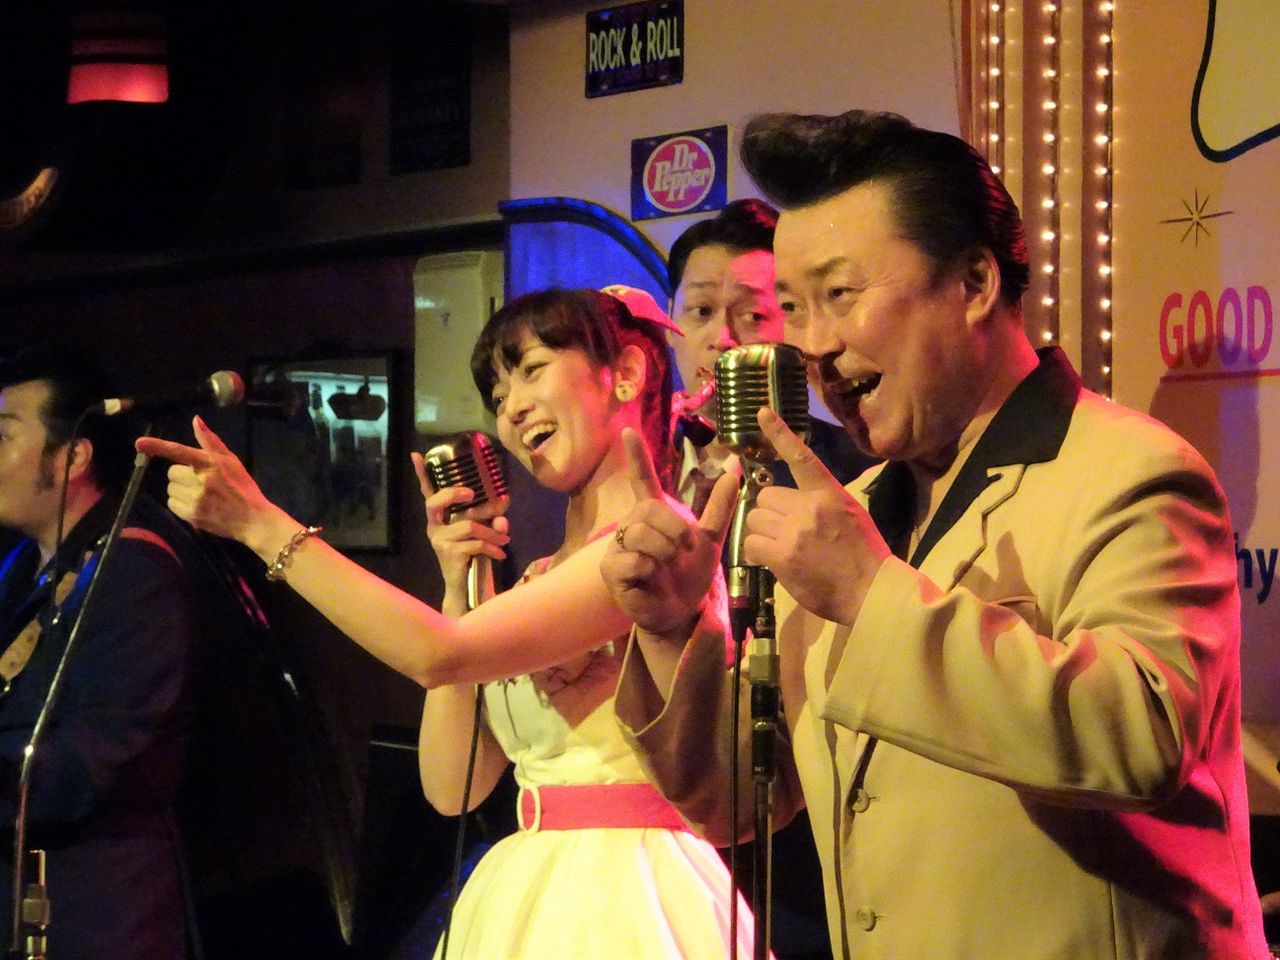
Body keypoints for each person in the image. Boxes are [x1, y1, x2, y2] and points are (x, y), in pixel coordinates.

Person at [600, 110, 1270, 959]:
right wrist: (673, 629)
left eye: (841, 296)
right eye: (794, 308)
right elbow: (741, 798)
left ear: (975, 283)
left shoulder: (1131, 471)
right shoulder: (854, 505)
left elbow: (1141, 738)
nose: (811, 345)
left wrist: (867, 594)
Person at [139, 288, 764, 958]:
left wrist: (261, 526)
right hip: (530, 882)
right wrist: (460, 588)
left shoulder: (648, 551)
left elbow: (437, 655)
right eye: (497, 394)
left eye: (532, 370)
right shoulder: (543, 575)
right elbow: (451, 787)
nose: (511, 407)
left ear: (628, 374)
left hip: (624, 894)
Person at [0, 347, 199, 959]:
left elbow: (86, 768)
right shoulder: (21, 568)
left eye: (3, 436)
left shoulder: (134, 569)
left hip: (95, 916)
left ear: (74, 458)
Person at [667, 198, 872, 515]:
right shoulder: (639, 461)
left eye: (753, 316)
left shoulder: (855, 472)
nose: (723, 339)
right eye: (702, 310)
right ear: (669, 321)